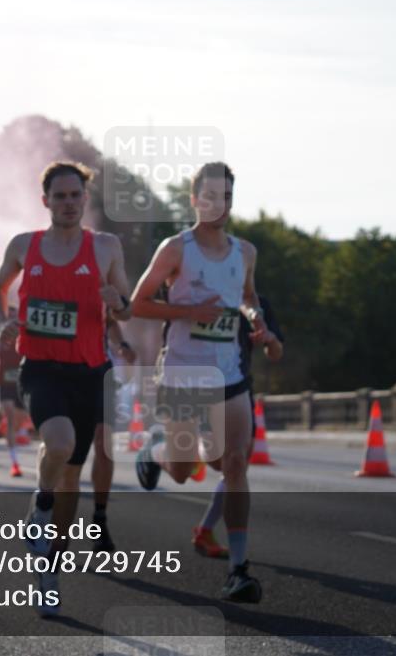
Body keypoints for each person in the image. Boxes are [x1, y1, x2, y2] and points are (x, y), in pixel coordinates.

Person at [0, 161, 132, 617]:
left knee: (73, 474)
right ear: (45, 200)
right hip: (42, 367)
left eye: (76, 196)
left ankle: (49, 569)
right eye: (60, 196)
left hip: (90, 371)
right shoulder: (24, 246)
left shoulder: (106, 248)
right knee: (61, 443)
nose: (69, 203)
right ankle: (40, 502)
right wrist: (1, 320)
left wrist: (117, 302)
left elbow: (126, 307)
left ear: (85, 200)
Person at [130, 161, 267, 603]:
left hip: (230, 374)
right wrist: (189, 311)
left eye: (226, 196)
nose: (218, 205)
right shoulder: (176, 249)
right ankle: (155, 449)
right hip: (184, 371)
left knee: (235, 465)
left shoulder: (245, 252)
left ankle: (239, 569)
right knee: (183, 470)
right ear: (194, 199)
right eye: (209, 196)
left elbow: (247, 297)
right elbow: (138, 304)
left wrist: (256, 320)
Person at [192, 294, 283, 558]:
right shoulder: (201, 292)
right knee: (218, 463)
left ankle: (208, 534)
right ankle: (170, 449)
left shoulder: (258, 305)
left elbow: (277, 352)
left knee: (236, 464)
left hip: (239, 390)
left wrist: (270, 340)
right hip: (201, 389)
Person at [89, 313, 137, 552]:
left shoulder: (98, 280)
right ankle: (49, 513)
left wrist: (121, 345)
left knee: (104, 446)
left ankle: (100, 519)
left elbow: (110, 319)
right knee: (67, 453)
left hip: (101, 371)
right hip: (63, 371)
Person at [0, 305, 27, 477]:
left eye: (14, 315)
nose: (11, 319)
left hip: (23, 382)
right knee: (10, 415)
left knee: (19, 419)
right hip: (5, 383)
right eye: (8, 316)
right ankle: (14, 461)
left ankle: (13, 433)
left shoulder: (25, 336)